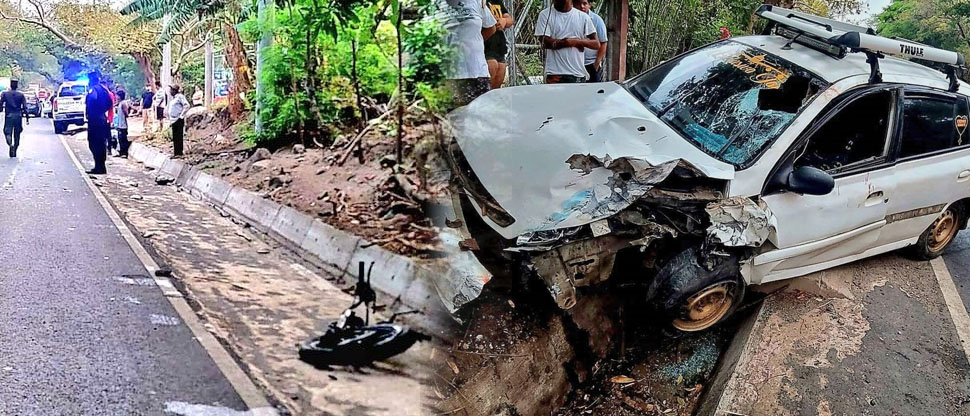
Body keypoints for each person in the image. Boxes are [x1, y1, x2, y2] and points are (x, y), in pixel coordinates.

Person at [437, 0, 497, 106]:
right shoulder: (435, 4)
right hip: (448, 74)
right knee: (450, 118)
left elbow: (491, 28)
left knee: (479, 116)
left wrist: (472, 43)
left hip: (477, 72)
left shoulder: (478, 3)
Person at [534, 0, 598, 83]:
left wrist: (577, 42)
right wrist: (567, 42)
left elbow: (596, 44)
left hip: (577, 73)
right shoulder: (545, 15)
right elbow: (545, 42)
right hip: (555, 73)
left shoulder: (583, 17)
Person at [84, 72, 113, 174]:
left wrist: (92, 110)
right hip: (102, 118)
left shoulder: (94, 89)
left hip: (95, 119)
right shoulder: (104, 89)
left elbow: (92, 99)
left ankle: (99, 166)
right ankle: (101, 166)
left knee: (94, 143)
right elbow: (110, 103)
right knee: (101, 143)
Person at [574, 0, 607, 82]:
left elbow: (603, 43)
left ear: (589, 5)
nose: (582, 6)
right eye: (578, 4)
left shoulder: (597, 20)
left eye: (584, 3)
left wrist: (596, 64)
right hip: (574, 64)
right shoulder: (571, 19)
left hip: (590, 64)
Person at [485, 0, 514, 89]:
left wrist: (504, 20)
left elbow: (510, 20)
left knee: (499, 76)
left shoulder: (496, 1)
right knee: (491, 68)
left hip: (498, 46)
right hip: (485, 47)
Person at [0, 79, 28, 158]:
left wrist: (1, 109)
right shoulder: (21, 95)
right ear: (17, 86)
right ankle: (15, 149)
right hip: (18, 116)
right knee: (17, 134)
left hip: (9, 116)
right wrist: (27, 117)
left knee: (7, 132)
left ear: (10, 85)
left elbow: (0, 103)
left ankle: (10, 145)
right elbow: (25, 107)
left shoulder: (5, 94)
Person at [167, 84, 189, 157]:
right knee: (175, 137)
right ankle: (176, 153)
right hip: (173, 119)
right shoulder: (174, 98)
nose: (170, 91)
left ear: (174, 91)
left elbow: (187, 106)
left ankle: (179, 153)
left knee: (179, 136)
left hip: (178, 119)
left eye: (171, 90)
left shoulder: (180, 97)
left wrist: (181, 116)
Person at [113, 89, 131, 158]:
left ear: (120, 96)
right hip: (120, 124)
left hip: (123, 125)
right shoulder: (120, 103)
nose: (116, 97)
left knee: (123, 139)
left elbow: (126, 113)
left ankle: (124, 153)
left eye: (117, 96)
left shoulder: (123, 103)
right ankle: (121, 152)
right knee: (120, 139)